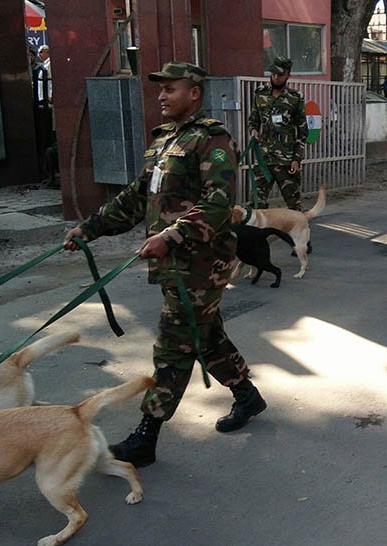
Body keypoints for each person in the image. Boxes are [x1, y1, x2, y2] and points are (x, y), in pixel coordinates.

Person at [63, 61, 267, 468]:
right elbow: (136, 199)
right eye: (159, 89)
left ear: (193, 92)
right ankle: (247, 395)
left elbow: (219, 202)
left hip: (202, 261)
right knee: (203, 334)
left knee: (174, 344)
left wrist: (171, 234)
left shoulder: (212, 139)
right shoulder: (162, 143)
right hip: (175, 262)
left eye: (169, 88)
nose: (160, 95)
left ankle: (146, 436)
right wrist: (90, 228)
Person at [247, 56, 308, 210]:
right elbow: (253, 121)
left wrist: (297, 158)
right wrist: (253, 130)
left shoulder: (295, 97)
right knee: (255, 204)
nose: (275, 77)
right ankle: (257, 233)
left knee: (294, 206)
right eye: (273, 73)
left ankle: (297, 233)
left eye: (280, 75)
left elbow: (302, 132)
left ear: (288, 75)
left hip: (286, 160)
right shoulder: (260, 93)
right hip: (263, 159)